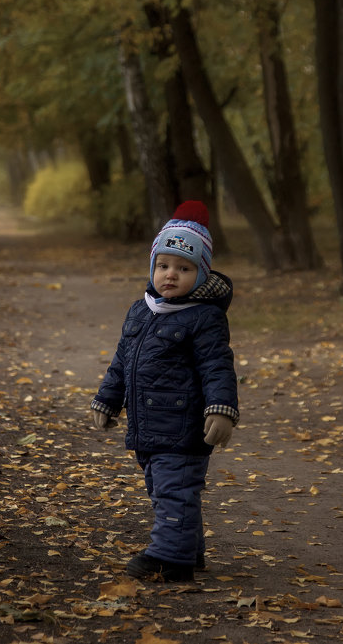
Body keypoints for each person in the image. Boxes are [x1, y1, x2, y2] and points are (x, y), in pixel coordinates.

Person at [91, 200, 239, 582]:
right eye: (163, 265)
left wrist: (221, 408)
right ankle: (189, 549)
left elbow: (217, 366)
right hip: (149, 425)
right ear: (152, 266)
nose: (170, 274)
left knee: (175, 489)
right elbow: (123, 360)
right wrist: (108, 397)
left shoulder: (205, 318)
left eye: (184, 268)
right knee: (167, 490)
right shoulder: (141, 311)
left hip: (184, 425)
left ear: (202, 274)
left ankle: (170, 558)